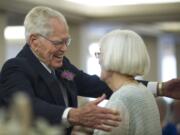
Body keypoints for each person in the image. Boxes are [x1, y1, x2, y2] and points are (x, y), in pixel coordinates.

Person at [0, 6, 180, 135]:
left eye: (66, 41)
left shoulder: (63, 70)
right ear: (33, 41)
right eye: (58, 42)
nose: (64, 48)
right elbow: (28, 106)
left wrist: (160, 88)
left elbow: (94, 84)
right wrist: (73, 115)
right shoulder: (16, 68)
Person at [93, 29, 161, 135]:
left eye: (100, 54)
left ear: (113, 57)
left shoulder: (121, 98)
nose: (98, 61)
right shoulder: (143, 91)